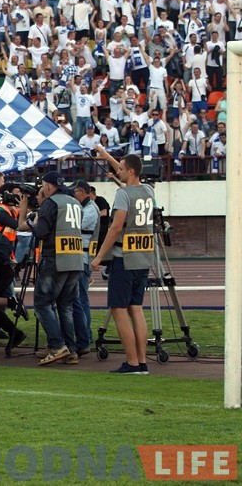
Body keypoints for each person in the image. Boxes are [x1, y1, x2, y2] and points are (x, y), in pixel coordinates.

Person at [92, 150, 154, 375]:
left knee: (118, 308)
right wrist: (104, 154)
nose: (117, 170)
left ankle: (131, 362)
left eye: (120, 168)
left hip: (124, 258)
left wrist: (99, 256)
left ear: (130, 172)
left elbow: (116, 227)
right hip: (143, 257)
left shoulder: (122, 195)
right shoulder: (148, 191)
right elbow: (126, 174)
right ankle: (142, 361)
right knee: (136, 308)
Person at [26, 171, 83, 366]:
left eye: (43, 185)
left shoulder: (51, 203)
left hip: (55, 258)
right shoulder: (74, 202)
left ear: (48, 186)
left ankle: (57, 346)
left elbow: (41, 232)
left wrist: (30, 222)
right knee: (65, 306)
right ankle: (71, 350)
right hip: (75, 259)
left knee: (42, 304)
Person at [70, 179, 100, 357]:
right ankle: (85, 336)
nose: (73, 196)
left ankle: (85, 337)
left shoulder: (90, 209)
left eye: (75, 193)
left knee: (80, 299)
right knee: (81, 299)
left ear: (82, 192)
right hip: (82, 257)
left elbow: (74, 226)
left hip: (83, 257)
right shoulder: (89, 207)